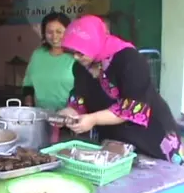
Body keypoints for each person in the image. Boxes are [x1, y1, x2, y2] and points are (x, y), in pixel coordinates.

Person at [58, 15, 184, 164]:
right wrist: (69, 113)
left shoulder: (129, 59)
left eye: (80, 52)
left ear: (94, 43)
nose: (76, 57)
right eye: (72, 52)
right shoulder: (80, 67)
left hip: (152, 138)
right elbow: (80, 99)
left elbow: (133, 108)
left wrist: (93, 119)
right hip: (116, 142)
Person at [23, 12, 74, 111]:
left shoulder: (77, 57)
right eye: (49, 32)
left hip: (69, 118)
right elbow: (28, 84)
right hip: (41, 116)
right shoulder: (37, 55)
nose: (54, 36)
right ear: (44, 34)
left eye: (59, 31)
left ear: (68, 31)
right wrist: (28, 106)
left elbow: (84, 91)